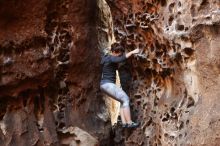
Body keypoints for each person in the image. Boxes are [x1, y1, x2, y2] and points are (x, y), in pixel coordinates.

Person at [100, 44, 140, 128]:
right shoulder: (111, 58)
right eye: (119, 53)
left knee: (122, 101)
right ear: (114, 52)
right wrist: (133, 52)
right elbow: (122, 59)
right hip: (108, 84)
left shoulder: (106, 58)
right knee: (125, 99)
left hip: (104, 85)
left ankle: (124, 123)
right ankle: (129, 122)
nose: (120, 55)